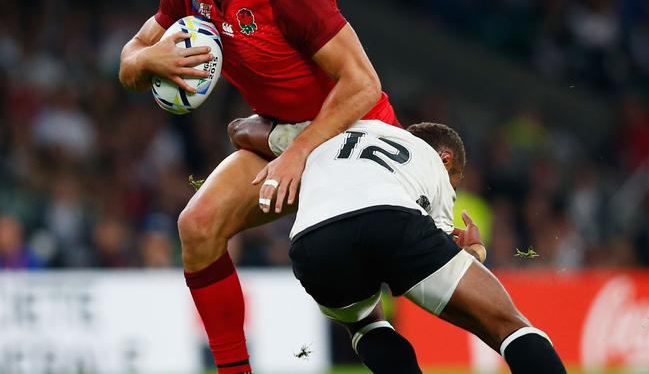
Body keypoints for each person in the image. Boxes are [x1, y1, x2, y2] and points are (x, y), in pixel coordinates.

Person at [117, 0, 399, 373]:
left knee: (368, 292)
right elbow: (127, 65)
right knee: (197, 226)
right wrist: (149, 57)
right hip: (281, 140)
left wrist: (298, 153)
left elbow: (364, 85)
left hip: (355, 138)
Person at [229, 116, 567, 374]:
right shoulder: (429, 161)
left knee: (365, 324)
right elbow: (436, 255)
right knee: (507, 324)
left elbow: (242, 129)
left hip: (311, 240)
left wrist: (244, 130)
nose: (454, 184)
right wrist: (476, 250)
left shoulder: (331, 130)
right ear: (446, 159)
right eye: (456, 177)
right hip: (388, 219)